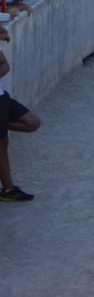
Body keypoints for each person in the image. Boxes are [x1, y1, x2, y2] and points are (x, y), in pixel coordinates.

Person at [0, 24, 41, 202]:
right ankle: (8, 189)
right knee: (2, 144)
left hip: (1, 97)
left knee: (32, 122)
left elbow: (5, 65)